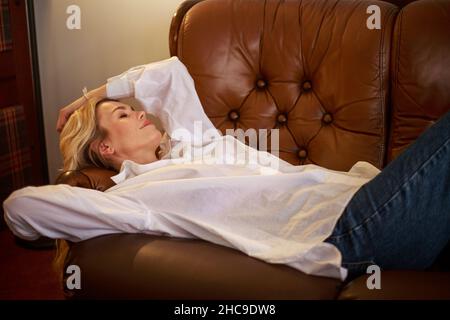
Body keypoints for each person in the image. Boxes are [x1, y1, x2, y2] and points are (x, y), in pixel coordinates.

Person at [3, 57, 450, 282]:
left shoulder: (193, 142)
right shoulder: (134, 199)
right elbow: (22, 207)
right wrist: (87, 183)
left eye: (133, 109)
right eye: (123, 115)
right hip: (351, 230)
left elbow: (170, 74)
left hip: (367, 194)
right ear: (104, 148)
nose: (141, 114)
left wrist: (90, 98)